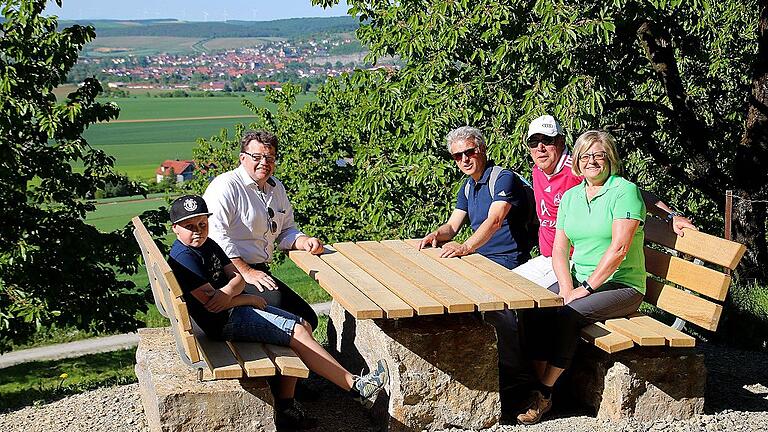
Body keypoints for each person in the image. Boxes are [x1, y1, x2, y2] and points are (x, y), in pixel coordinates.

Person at [166, 195, 389, 430]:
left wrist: (230, 291)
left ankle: (286, 408)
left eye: (202, 224)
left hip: (231, 312)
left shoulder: (208, 244)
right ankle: (356, 386)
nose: (198, 231)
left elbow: (237, 278)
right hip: (222, 323)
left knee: (302, 324)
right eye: (189, 227)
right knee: (296, 332)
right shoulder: (184, 258)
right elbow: (215, 304)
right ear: (175, 229)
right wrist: (247, 297)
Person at [516, 130, 649, 425]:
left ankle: (543, 392)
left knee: (568, 314)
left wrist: (585, 288)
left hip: (622, 284)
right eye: (585, 156)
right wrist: (566, 286)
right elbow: (560, 248)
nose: (591, 161)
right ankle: (544, 382)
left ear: (610, 159)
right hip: (579, 279)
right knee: (533, 307)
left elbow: (619, 249)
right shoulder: (573, 196)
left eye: (598, 155)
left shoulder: (624, 191)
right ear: (576, 161)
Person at [417, 125, 534, 414]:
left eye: (469, 152)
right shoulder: (468, 186)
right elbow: (453, 224)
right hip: (479, 262)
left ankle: (517, 382)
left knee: (498, 313)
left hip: (508, 261)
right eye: (457, 156)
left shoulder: (502, 179)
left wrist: (466, 247)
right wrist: (437, 234)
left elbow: (495, 221)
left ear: (482, 149)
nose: (464, 160)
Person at [513, 115, 696, 288]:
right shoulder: (538, 170)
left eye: (547, 140)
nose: (540, 147)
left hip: (576, 262)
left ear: (561, 141)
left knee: (525, 302)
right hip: (549, 257)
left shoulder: (579, 169)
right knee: (501, 286)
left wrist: (671, 215)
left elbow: (632, 194)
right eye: (533, 142)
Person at [203, 130, 322, 331]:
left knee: (308, 318)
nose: (264, 163)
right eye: (256, 157)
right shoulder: (225, 186)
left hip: (258, 273)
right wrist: (246, 271)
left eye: (269, 157)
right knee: (301, 322)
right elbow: (215, 236)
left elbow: (285, 230)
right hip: (228, 276)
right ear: (242, 158)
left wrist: (303, 241)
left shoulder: (276, 188)